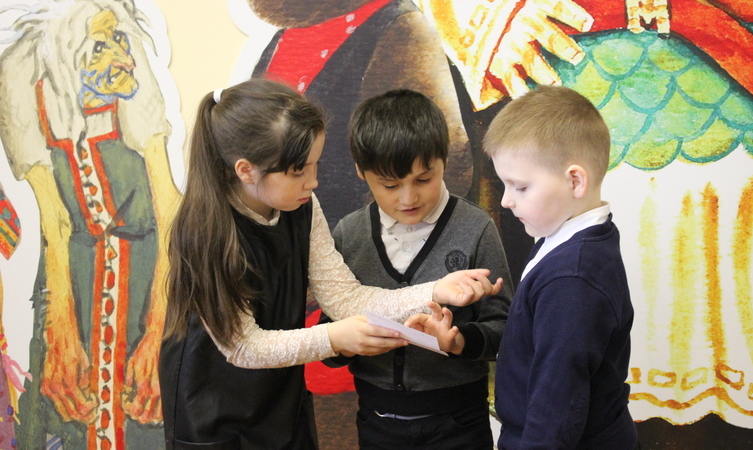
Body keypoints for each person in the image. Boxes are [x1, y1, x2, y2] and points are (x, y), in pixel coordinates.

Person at [157, 78, 502, 450]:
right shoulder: (204, 232)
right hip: (213, 406)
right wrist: (334, 338)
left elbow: (345, 298)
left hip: (281, 393)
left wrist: (435, 291)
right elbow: (243, 347)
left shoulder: (302, 204)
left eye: (314, 165)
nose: (313, 182)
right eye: (299, 171)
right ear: (247, 170)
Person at [408, 85, 637, 449]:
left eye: (520, 187)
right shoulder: (563, 240)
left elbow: (556, 407)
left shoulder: (572, 280)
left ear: (575, 181)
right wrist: (461, 341)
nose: (506, 201)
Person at [319, 89, 513, 449]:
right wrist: (345, 344)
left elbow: (505, 329)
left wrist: (458, 341)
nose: (408, 198)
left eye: (423, 179)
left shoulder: (476, 227)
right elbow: (328, 332)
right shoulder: (349, 233)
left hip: (459, 422)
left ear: (444, 161)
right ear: (361, 172)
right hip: (377, 421)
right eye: (390, 185)